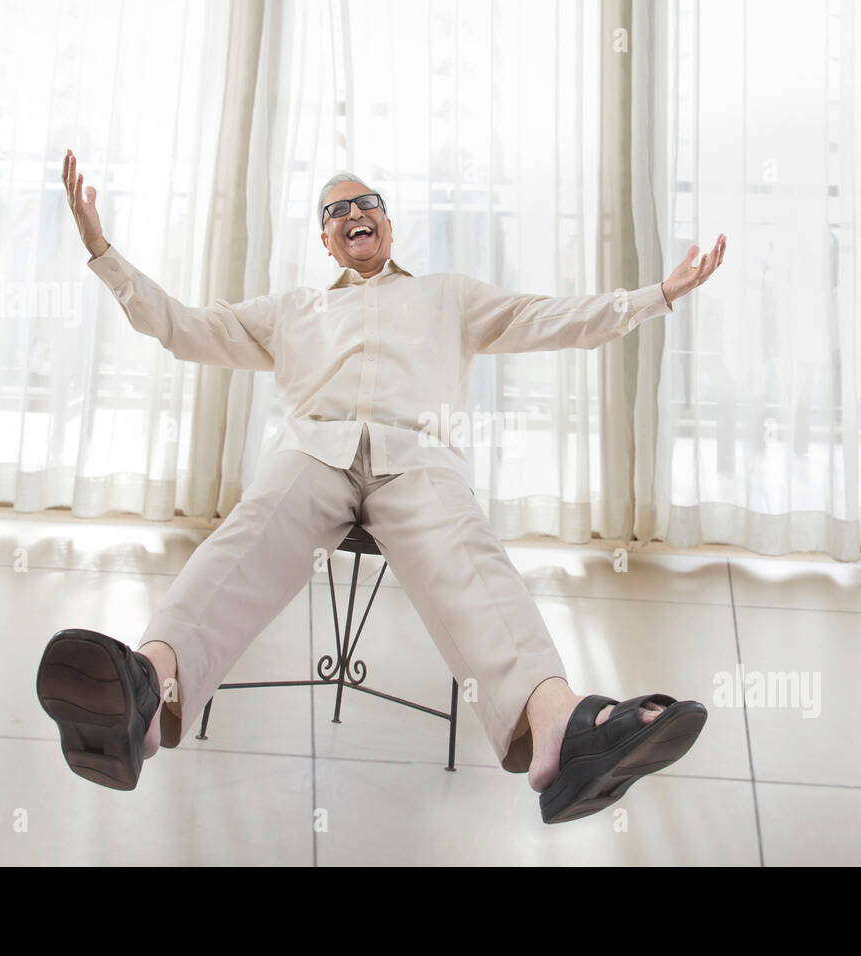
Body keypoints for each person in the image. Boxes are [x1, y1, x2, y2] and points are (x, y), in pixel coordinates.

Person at [37, 149, 726, 825]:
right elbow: (184, 328)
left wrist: (656, 297)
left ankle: (564, 731)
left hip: (418, 457)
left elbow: (550, 318)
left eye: (366, 203)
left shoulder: (447, 295)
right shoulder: (291, 309)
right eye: (336, 210)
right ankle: (143, 691)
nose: (353, 213)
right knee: (246, 536)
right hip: (313, 454)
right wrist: (104, 255)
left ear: (389, 225)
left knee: (470, 554)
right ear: (327, 241)